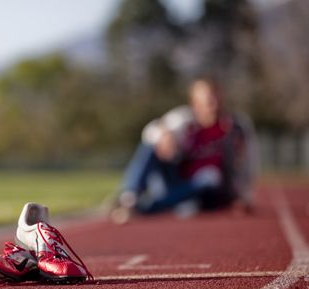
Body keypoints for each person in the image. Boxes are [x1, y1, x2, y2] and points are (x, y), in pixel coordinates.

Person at [109, 77, 257, 224]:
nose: (212, 105)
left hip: (209, 191)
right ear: (195, 103)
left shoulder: (234, 127)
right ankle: (129, 197)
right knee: (150, 145)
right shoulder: (182, 120)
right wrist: (162, 136)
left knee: (210, 176)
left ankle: (144, 207)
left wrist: (243, 196)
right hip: (177, 180)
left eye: (215, 99)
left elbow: (247, 162)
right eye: (207, 101)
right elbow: (149, 132)